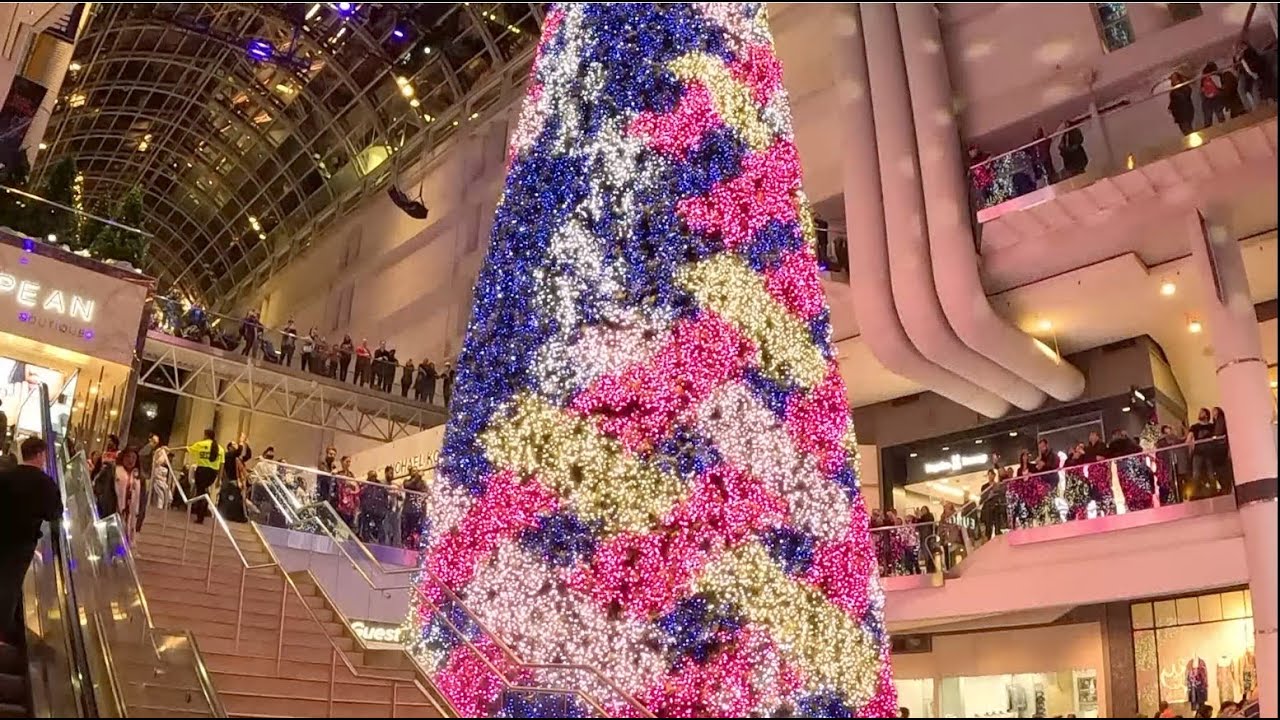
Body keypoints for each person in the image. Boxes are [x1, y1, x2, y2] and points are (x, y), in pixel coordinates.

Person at [0, 437, 63, 637]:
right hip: (23, 542)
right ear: (39, 454)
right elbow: (54, 513)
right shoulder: (46, 483)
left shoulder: (6, 476)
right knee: (10, 582)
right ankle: (3, 630)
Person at [188, 429, 223, 523]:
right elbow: (221, 465)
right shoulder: (220, 448)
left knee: (200, 492)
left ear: (206, 435)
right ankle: (202, 512)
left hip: (202, 470)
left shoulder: (201, 444)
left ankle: (200, 515)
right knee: (204, 491)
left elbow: (188, 449)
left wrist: (171, 449)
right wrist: (219, 479)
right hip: (213, 473)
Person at [1188, 408, 1218, 497]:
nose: (1200, 414)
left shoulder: (1212, 426)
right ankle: (1195, 494)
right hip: (1198, 452)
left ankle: (1214, 491)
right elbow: (1189, 438)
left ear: (1206, 415)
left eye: (1202, 413)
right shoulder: (1195, 427)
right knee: (1196, 474)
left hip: (1209, 452)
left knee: (1211, 473)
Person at [219, 441, 248, 523]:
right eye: (234, 444)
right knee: (230, 498)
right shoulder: (228, 455)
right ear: (230, 447)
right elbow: (239, 451)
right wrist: (241, 441)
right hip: (230, 479)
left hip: (234, 479)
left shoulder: (236, 457)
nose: (236, 446)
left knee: (234, 498)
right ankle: (229, 515)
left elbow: (247, 455)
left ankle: (232, 515)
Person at [1168, 70, 1196, 135]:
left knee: (1187, 130)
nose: (1172, 81)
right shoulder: (1175, 90)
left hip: (1184, 113)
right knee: (1185, 130)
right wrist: (1170, 107)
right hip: (1181, 114)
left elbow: (1182, 98)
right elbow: (1173, 101)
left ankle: (1194, 142)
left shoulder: (1182, 88)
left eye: (1174, 79)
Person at [1201, 62, 1226, 127]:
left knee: (1208, 117)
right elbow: (1220, 86)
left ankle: (1208, 131)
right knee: (1219, 113)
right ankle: (1224, 127)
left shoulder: (1204, 78)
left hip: (1207, 98)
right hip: (1217, 96)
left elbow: (1202, 89)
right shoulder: (1217, 75)